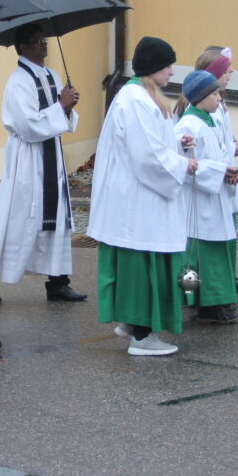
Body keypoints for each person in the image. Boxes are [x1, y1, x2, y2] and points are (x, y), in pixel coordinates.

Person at [87, 37, 193, 356]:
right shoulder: (136, 100)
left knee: (140, 263)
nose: (172, 71)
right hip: (139, 201)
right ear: (153, 67)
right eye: (168, 65)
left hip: (138, 197)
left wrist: (176, 144)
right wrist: (183, 164)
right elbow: (148, 156)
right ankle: (142, 334)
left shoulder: (141, 96)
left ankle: (133, 324)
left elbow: (151, 143)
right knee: (143, 266)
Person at [0, 23, 85, 302]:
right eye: (37, 41)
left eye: (44, 39)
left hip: (51, 155)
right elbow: (27, 125)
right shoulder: (18, 81)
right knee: (19, 217)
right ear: (22, 47)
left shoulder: (52, 75)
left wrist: (67, 108)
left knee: (56, 215)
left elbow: (61, 119)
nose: (43, 44)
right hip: (28, 158)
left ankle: (58, 282)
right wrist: (61, 107)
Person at [173, 69, 238, 324]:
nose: (219, 99)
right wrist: (220, 171)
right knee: (203, 254)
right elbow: (185, 164)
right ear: (201, 97)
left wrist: (228, 171)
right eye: (214, 95)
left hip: (215, 197)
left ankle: (217, 301)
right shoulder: (188, 125)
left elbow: (218, 155)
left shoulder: (210, 121)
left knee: (217, 250)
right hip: (198, 200)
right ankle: (206, 304)